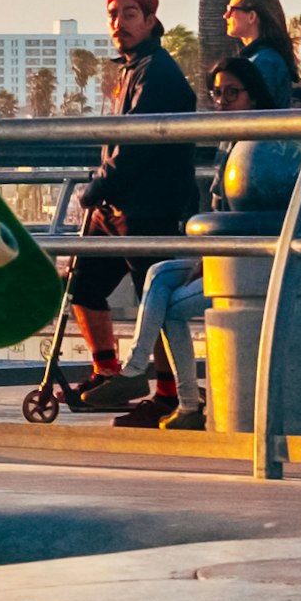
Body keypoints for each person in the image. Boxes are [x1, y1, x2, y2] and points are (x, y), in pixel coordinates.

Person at [100, 55, 265, 429]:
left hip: (250, 263)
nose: (222, 101)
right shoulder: (231, 143)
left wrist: (211, 256)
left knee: (172, 305)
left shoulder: (259, 145)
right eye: (217, 93)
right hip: (222, 256)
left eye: (233, 94)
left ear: (254, 98)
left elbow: (253, 217)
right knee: (158, 273)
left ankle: (185, 402)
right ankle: (138, 368)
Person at [61, 0, 195, 410]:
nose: (120, 23)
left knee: (152, 300)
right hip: (117, 206)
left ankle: (168, 392)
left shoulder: (158, 72)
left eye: (130, 14)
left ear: (152, 20)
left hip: (150, 208)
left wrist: (95, 189)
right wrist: (102, 195)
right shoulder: (131, 68)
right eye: (114, 15)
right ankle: (108, 372)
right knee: (82, 285)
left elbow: (138, 145)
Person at [220, 0, 301, 109]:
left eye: (232, 9)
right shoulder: (266, 58)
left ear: (252, 17)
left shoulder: (264, 62)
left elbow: (258, 111)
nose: (226, 16)